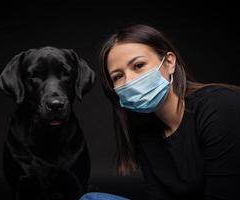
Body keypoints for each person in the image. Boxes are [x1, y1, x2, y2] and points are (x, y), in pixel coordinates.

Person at [80, 24, 240, 200]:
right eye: (118, 76)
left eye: (138, 65)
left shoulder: (220, 106)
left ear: (170, 62)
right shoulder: (145, 129)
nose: (129, 80)